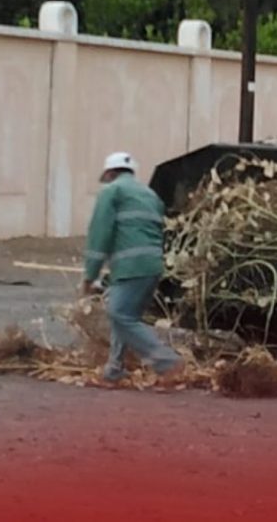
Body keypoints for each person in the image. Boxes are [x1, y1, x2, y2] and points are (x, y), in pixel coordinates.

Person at [81, 151, 184, 385]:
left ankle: (166, 361)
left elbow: (99, 235)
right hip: (153, 265)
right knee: (126, 316)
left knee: (119, 314)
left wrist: (90, 275)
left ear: (109, 174)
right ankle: (114, 369)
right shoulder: (149, 195)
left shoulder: (112, 192)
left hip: (130, 266)